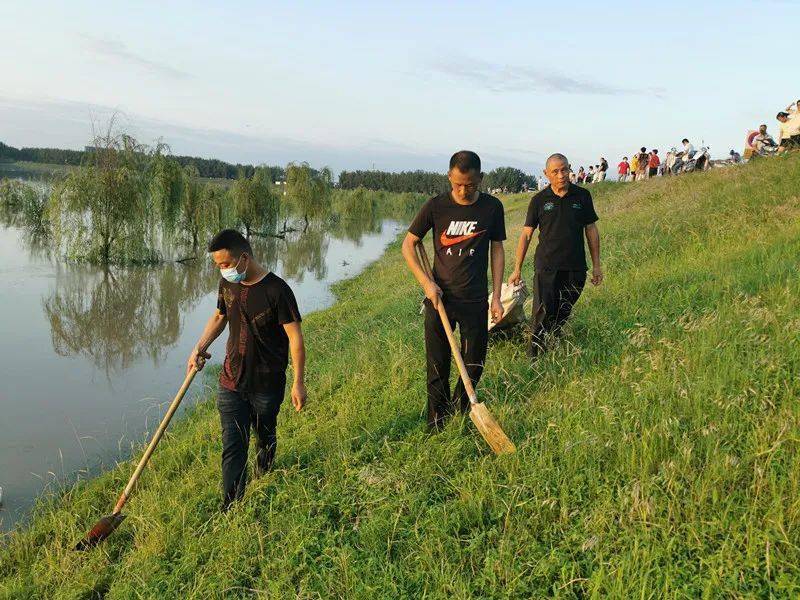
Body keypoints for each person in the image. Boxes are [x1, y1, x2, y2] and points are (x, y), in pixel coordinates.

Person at [188, 229, 307, 510]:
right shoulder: (227, 285)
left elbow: (295, 338)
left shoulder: (277, 291)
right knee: (233, 444)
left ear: (244, 258)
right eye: (218, 265)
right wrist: (199, 346)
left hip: (267, 382)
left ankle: (264, 474)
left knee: (265, 435)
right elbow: (220, 317)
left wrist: (298, 382)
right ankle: (231, 506)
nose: (223, 270)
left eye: (226, 264)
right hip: (231, 380)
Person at [401, 150, 506, 430]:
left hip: (475, 299)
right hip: (439, 299)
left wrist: (496, 296)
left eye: (470, 184)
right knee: (437, 365)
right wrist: (427, 282)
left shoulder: (492, 208)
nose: (463, 190)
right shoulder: (436, 206)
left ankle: (463, 408)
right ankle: (437, 421)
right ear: (449, 177)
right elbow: (409, 244)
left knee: (474, 362)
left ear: (480, 179)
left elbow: (497, 250)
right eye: (458, 183)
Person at [508, 153, 603, 357]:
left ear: (570, 169)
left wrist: (596, 265)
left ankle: (551, 346)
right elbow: (526, 235)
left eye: (565, 169)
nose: (561, 175)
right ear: (546, 174)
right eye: (555, 171)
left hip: (575, 266)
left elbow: (591, 230)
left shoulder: (582, 196)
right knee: (542, 311)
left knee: (564, 310)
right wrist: (517, 269)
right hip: (547, 266)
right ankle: (534, 357)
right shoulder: (539, 200)